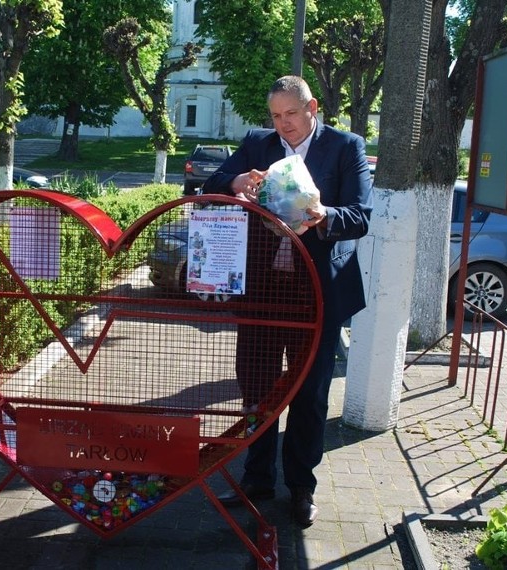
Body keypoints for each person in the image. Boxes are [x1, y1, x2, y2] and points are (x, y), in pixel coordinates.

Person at [201, 75, 373, 527]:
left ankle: (301, 487)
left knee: (309, 396)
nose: (284, 125)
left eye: (291, 115)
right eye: (276, 116)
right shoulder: (259, 143)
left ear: (312, 107)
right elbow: (211, 185)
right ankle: (257, 478)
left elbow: (360, 216)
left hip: (316, 295)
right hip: (262, 294)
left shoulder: (345, 146)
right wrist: (236, 179)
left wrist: (323, 215)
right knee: (257, 390)